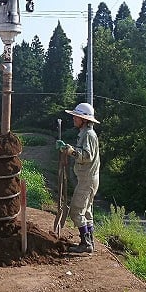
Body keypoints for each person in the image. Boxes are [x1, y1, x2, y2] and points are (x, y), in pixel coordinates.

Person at [56, 102, 100, 253]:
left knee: (76, 210)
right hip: (88, 178)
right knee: (86, 211)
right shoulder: (86, 133)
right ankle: (90, 242)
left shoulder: (88, 134)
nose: (74, 118)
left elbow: (87, 156)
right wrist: (68, 148)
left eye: (77, 116)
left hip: (87, 180)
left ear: (84, 119)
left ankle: (86, 243)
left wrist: (70, 151)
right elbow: (82, 151)